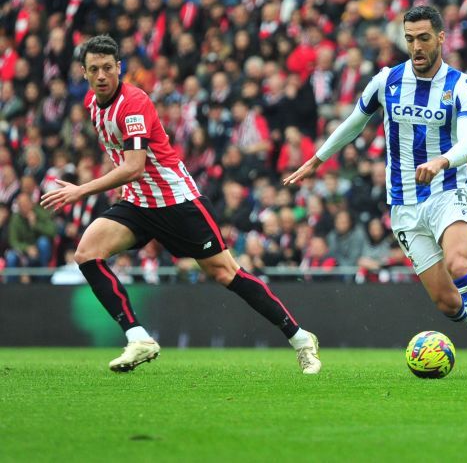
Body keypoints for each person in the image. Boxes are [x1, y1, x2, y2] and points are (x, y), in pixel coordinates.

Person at [40, 35, 321, 374]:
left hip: (177, 201)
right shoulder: (92, 104)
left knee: (225, 273)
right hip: (139, 202)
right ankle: (138, 337)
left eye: (108, 68)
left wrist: (81, 190)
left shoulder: (134, 102)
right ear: (84, 73)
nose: (102, 75)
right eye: (94, 69)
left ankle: (301, 339)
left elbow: (134, 166)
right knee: (86, 253)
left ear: (120, 68)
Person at [285, 6, 467, 378]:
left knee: (461, 263)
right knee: (446, 302)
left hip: (447, 190)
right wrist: (317, 160)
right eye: (410, 39)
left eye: (424, 38)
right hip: (404, 204)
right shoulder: (387, 81)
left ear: (441, 38)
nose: (416, 47)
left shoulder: (460, 85)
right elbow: (354, 123)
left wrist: (441, 162)